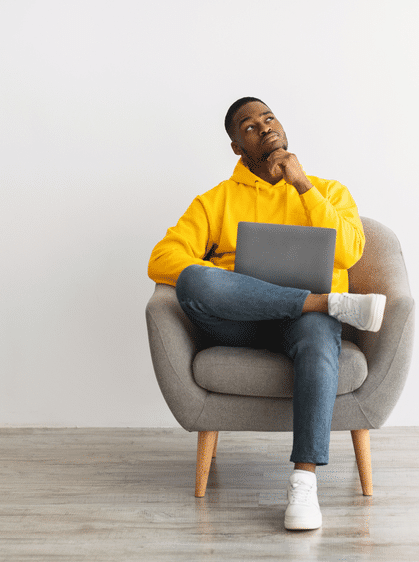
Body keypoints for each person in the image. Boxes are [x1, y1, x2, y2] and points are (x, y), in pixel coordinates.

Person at [148, 97, 385, 531]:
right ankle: (324, 302)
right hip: (242, 323)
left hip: (305, 326)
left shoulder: (328, 191)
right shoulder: (216, 201)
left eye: (269, 118)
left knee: (317, 335)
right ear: (237, 147)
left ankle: (304, 482)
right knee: (194, 280)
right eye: (250, 126)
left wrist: (303, 187)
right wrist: (241, 283)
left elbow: (349, 252)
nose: (265, 127)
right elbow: (161, 258)